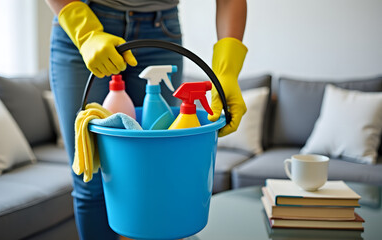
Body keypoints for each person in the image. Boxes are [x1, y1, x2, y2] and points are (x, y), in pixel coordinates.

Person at [45, 0, 248, 239]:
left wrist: (226, 71)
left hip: (160, 28)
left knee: (158, 177)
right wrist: (86, 32)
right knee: (90, 180)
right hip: (80, 17)